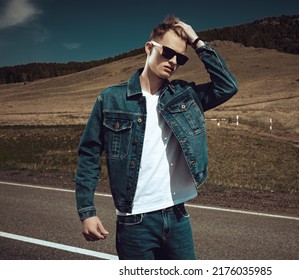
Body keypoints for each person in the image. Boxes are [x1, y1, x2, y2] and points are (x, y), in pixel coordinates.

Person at [75, 15, 238, 260]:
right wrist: (87, 211)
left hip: (177, 216)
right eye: (168, 52)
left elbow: (227, 86)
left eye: (180, 58)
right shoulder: (111, 99)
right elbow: (89, 154)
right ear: (149, 47)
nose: (173, 61)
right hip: (135, 222)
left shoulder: (184, 96)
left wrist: (197, 42)